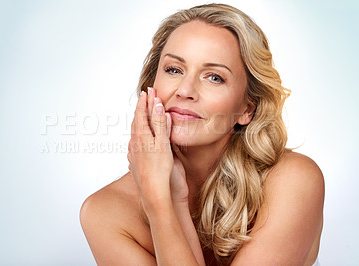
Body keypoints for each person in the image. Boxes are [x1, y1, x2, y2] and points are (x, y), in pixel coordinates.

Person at [80, 3, 324, 265]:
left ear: (247, 108)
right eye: (174, 70)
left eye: (214, 77)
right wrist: (166, 199)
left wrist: (165, 203)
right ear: (152, 86)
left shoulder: (294, 181)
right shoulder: (104, 213)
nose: (185, 90)